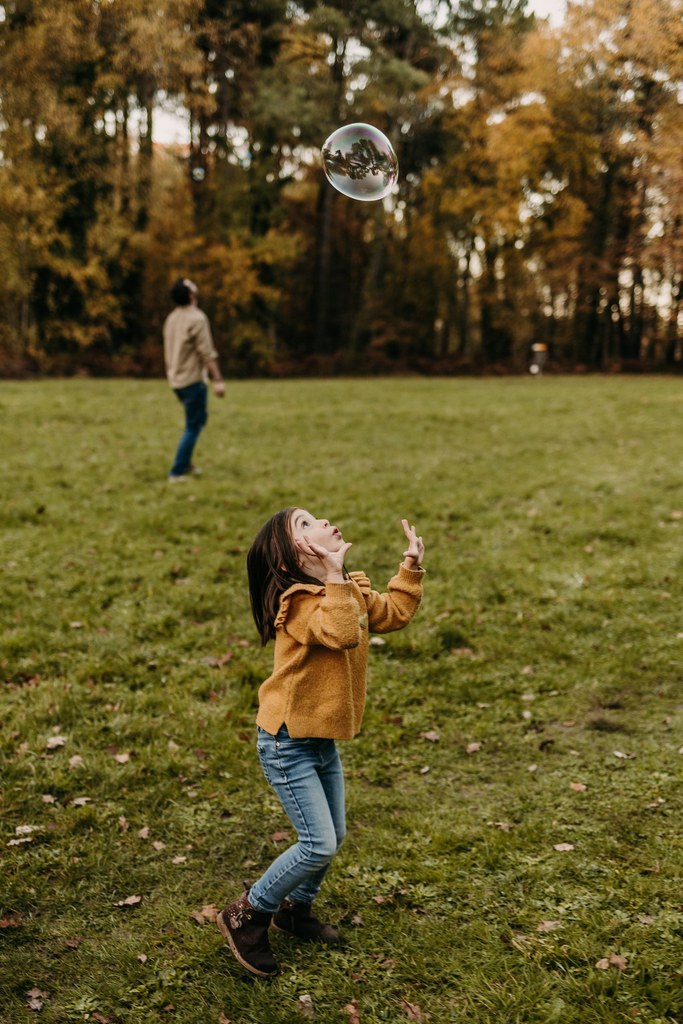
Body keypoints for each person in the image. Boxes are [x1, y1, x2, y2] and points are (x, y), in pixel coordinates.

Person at [216, 509, 426, 977]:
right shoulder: (298, 605)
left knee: (335, 835)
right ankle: (247, 914)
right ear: (293, 557)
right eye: (304, 525)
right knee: (317, 844)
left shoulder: (343, 588)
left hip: (318, 739)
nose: (323, 521)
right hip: (286, 742)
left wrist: (409, 569)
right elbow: (341, 632)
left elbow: (389, 614)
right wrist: (334, 577)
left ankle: (296, 909)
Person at [163, 278, 225, 482]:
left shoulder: (172, 318)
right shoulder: (197, 318)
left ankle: (186, 463)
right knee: (194, 425)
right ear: (190, 294)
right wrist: (218, 380)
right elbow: (207, 352)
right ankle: (177, 471)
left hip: (176, 381)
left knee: (195, 421)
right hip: (192, 381)